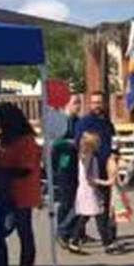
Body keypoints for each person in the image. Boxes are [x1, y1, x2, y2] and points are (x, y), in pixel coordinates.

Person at [0, 102, 41, 266]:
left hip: (23, 192)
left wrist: (2, 170)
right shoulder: (5, 139)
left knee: (24, 232)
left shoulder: (26, 140)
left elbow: (25, 169)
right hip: (3, 192)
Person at [73, 91, 120, 251]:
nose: (97, 105)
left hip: (106, 166)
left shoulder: (107, 122)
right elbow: (80, 143)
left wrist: (114, 155)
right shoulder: (85, 122)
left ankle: (106, 237)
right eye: (94, 102)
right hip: (93, 168)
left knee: (103, 206)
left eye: (99, 102)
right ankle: (105, 240)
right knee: (94, 209)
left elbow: (113, 141)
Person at [69, 132, 112, 254]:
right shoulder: (89, 156)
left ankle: (74, 241)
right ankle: (107, 243)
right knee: (99, 216)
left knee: (85, 216)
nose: (100, 144)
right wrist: (105, 183)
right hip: (89, 190)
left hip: (86, 190)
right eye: (97, 141)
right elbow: (89, 177)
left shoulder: (86, 155)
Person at [53, 94, 82, 242]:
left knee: (80, 199)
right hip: (63, 164)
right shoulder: (60, 121)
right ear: (67, 104)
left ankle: (78, 232)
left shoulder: (78, 121)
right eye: (76, 103)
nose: (78, 106)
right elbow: (54, 143)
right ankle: (61, 231)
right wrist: (70, 143)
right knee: (66, 201)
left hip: (78, 164)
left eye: (79, 103)